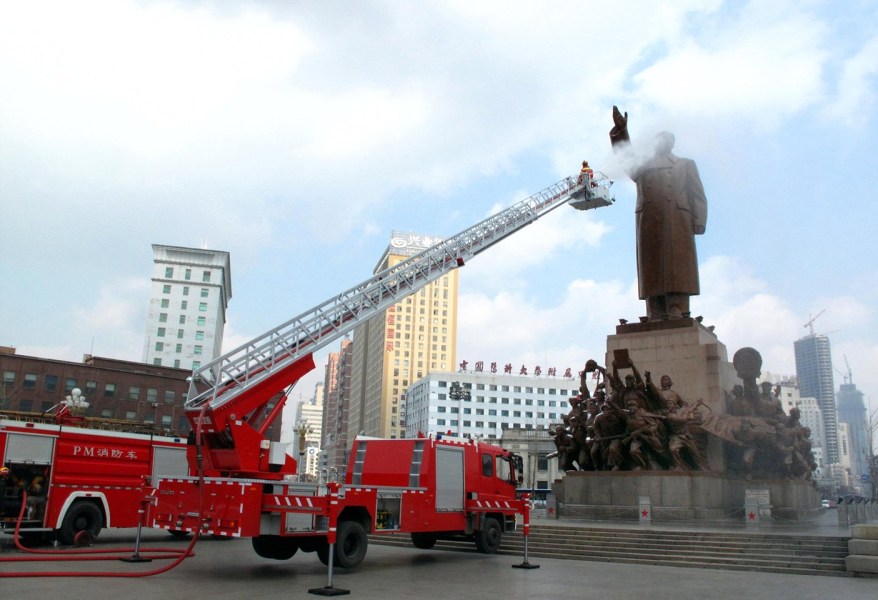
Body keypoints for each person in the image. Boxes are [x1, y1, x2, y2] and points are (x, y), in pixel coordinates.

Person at [610, 106, 708, 320]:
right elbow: (625, 158)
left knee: (677, 265)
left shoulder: (685, 164)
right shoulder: (642, 166)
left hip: (677, 218)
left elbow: (697, 194)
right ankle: (654, 307)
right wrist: (621, 132)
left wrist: (699, 220)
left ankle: (677, 307)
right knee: (651, 265)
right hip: (650, 220)